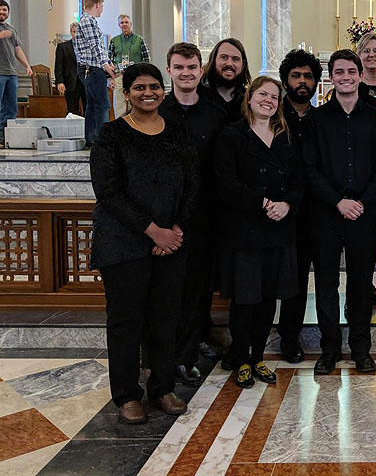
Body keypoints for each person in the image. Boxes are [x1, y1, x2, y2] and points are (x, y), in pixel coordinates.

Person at [89, 63, 199, 425]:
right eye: (139, 87)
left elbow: (191, 183)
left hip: (170, 241)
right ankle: (126, 394)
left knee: (165, 318)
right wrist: (154, 231)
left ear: (163, 91)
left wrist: (175, 230)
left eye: (154, 86)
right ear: (126, 93)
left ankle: (162, 387)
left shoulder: (177, 131)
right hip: (123, 243)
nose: (147, 92)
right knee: (125, 321)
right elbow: (109, 192)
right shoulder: (111, 135)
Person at [303, 49, 376, 375]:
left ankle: (360, 348)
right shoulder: (316, 119)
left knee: (360, 284)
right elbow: (309, 168)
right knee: (325, 284)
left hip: (363, 215)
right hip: (326, 214)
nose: (345, 77)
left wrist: (363, 203)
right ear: (331, 77)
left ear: (358, 75)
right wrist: (337, 201)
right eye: (338, 72)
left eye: (350, 71)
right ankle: (329, 349)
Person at [214, 76, 303, 389]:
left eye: (274, 96)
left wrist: (288, 205)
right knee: (245, 299)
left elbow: (298, 182)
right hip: (246, 229)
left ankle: (258, 357)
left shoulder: (286, 136)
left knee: (268, 299)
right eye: (262, 94)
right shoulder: (232, 135)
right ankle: (240, 358)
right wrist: (263, 200)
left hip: (279, 229)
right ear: (249, 98)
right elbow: (225, 182)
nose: (268, 100)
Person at [160, 42, 228, 386]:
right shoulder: (158, 111)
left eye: (192, 67)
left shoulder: (215, 114)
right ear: (169, 70)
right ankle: (161, 356)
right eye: (179, 67)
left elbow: (222, 169)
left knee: (197, 288)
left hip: (203, 217)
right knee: (166, 289)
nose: (186, 73)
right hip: (163, 219)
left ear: (201, 70)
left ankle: (186, 357)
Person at [276, 48, 323, 363]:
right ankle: (288, 337)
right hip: (286, 212)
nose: (303, 82)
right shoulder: (273, 116)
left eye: (308, 76)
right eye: (296, 76)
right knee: (292, 278)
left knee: (326, 278)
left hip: (321, 210)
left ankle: (329, 334)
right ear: (286, 80)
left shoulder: (323, 118)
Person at [74, 0, 116, 146]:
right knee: (102, 104)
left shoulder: (86, 21)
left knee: (92, 105)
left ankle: (92, 139)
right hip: (91, 68)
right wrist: (105, 64)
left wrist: (108, 63)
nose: (102, 10)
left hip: (90, 67)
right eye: (102, 6)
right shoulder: (88, 21)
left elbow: (99, 48)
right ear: (97, 5)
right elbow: (95, 45)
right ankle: (103, 142)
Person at [0, 0, 33, 147]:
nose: (2, 12)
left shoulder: (11, 29)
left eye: (5, 10)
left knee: (11, 107)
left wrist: (27, 65)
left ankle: (5, 137)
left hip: (11, 72)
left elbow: (17, 50)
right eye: (0, 9)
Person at [199, 38, 251, 123]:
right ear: (214, 60)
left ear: (243, 65)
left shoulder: (249, 101)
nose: (229, 63)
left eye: (235, 59)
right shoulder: (197, 95)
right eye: (224, 57)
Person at [55, 22, 86, 116]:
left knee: (88, 108)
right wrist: (60, 82)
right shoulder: (63, 47)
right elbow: (58, 66)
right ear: (71, 32)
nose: (77, 34)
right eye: (74, 32)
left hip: (85, 80)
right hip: (71, 81)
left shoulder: (86, 47)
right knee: (72, 110)